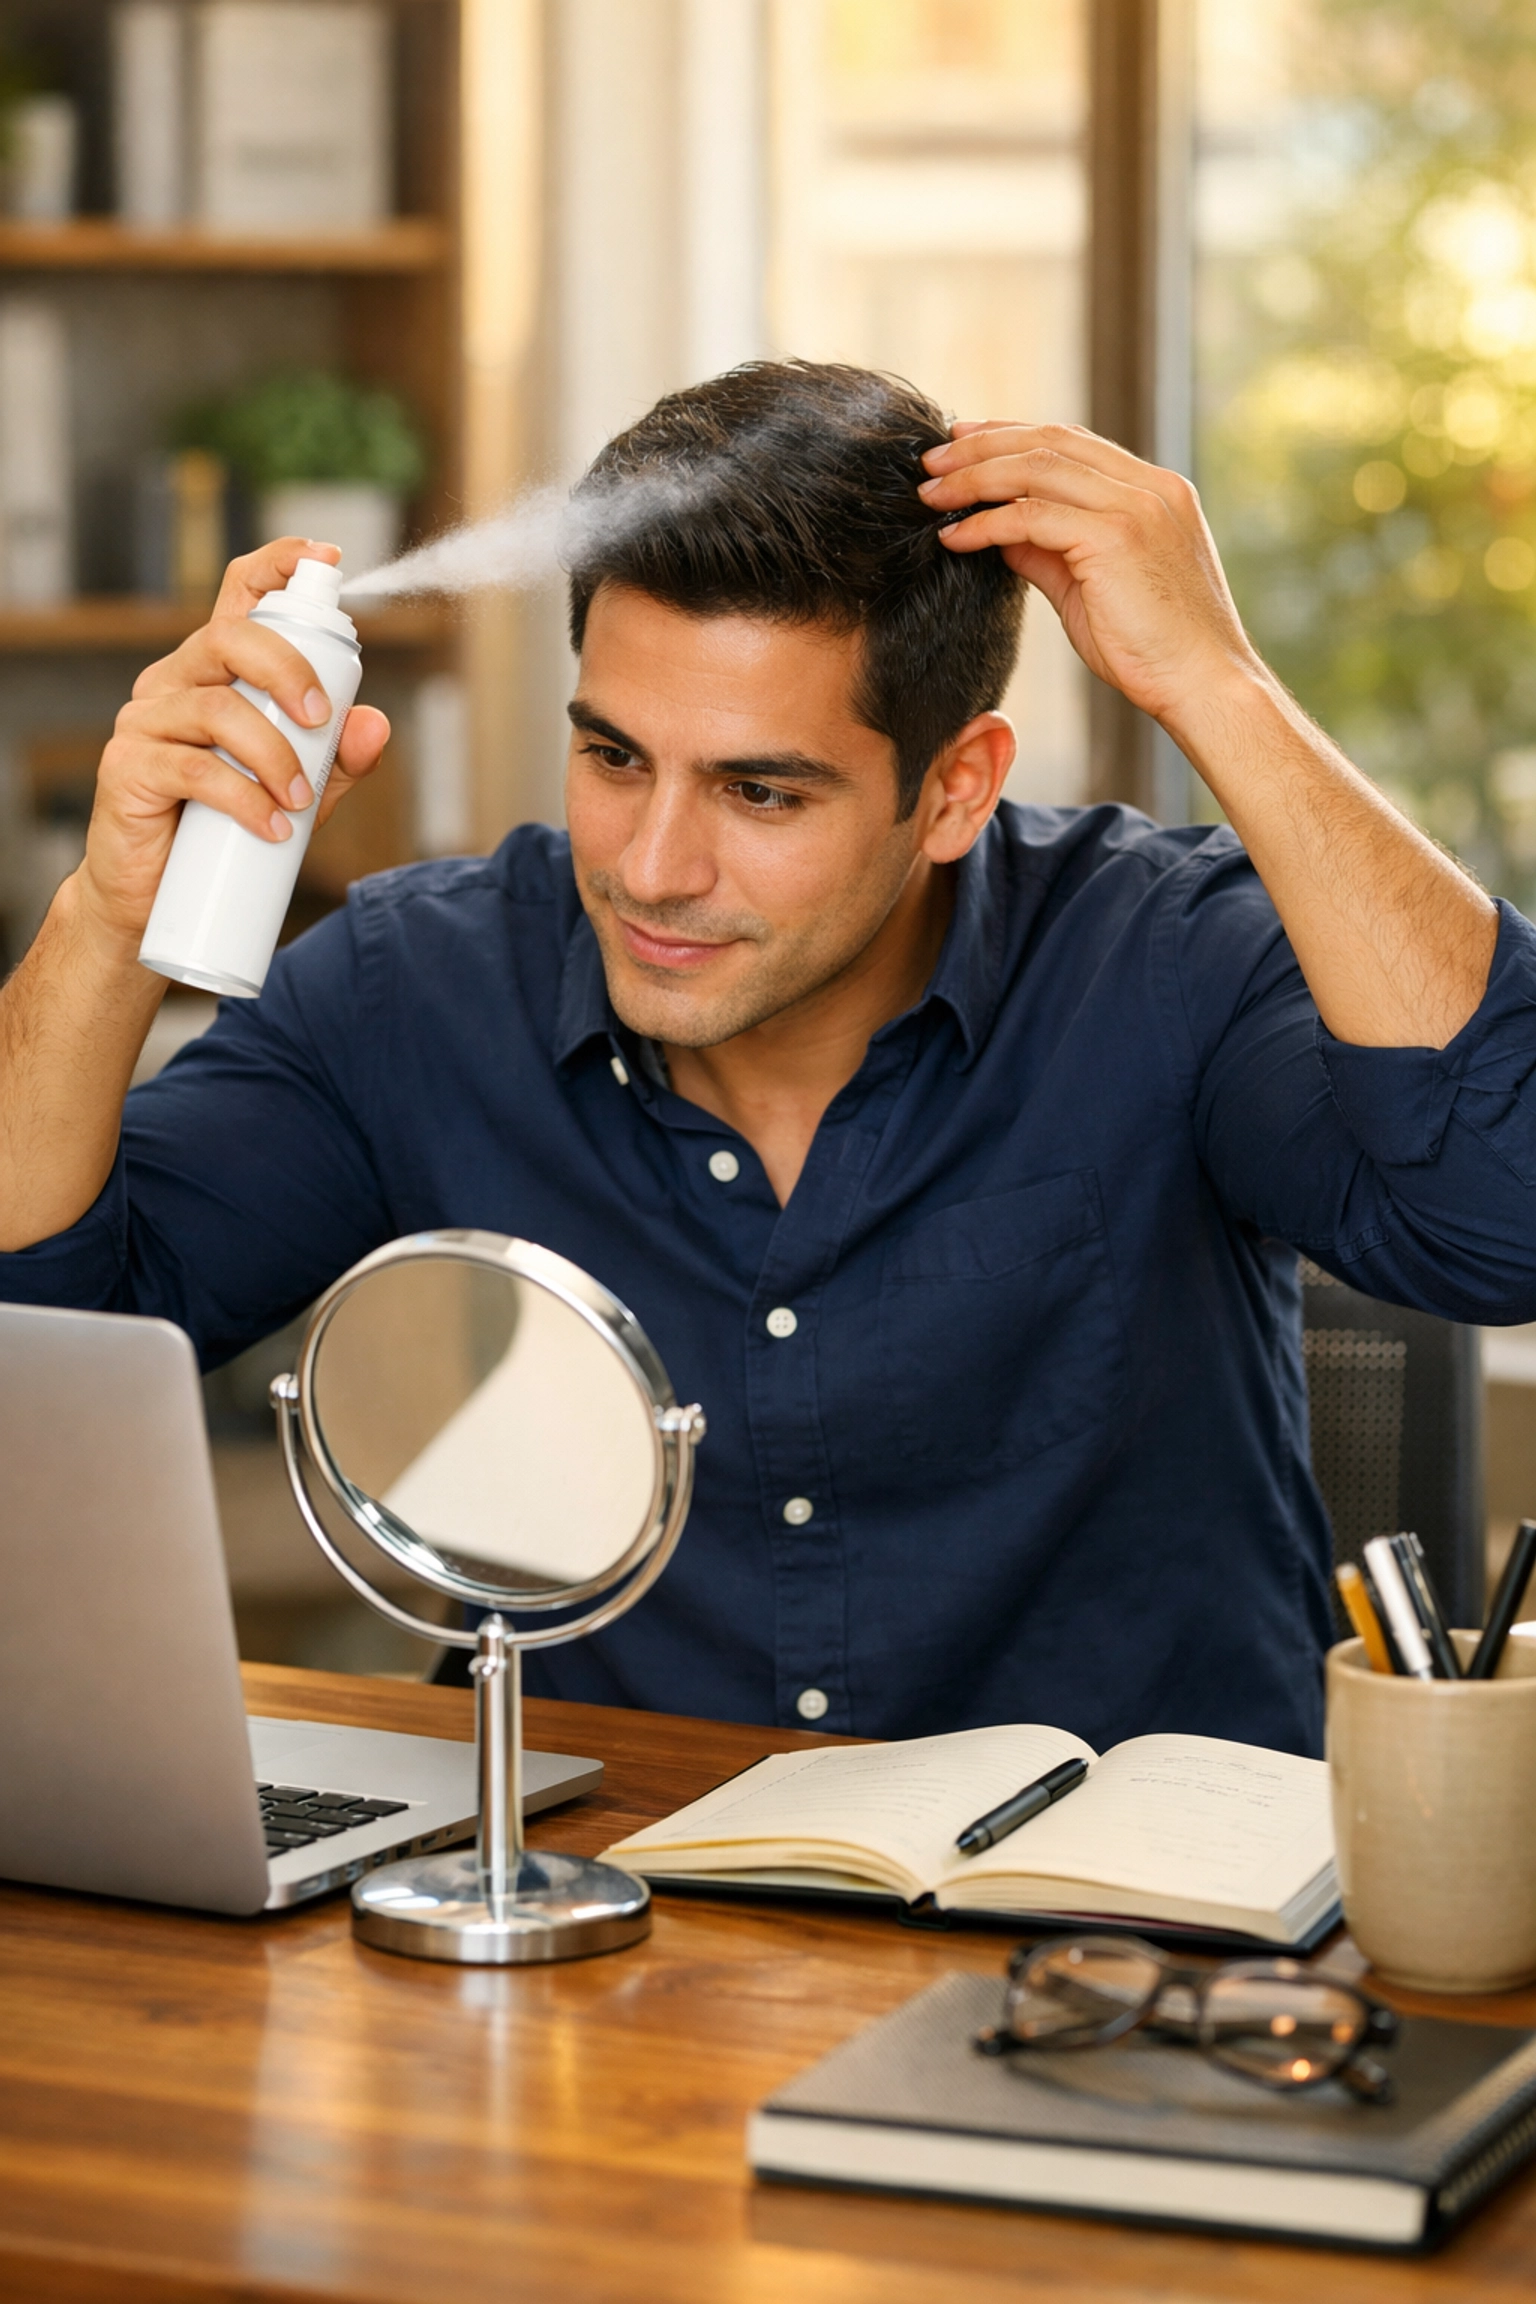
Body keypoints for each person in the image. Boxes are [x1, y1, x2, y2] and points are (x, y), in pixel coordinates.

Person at [2, 361, 1532, 1757]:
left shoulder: (1167, 958)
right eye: (614, 756)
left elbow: (1504, 1216)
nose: (654, 869)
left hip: (1137, 1972)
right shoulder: (425, 984)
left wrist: (1222, 687)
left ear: (952, 793)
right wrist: (107, 909)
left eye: (761, 792)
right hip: (616, 1949)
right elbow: (43, 1332)